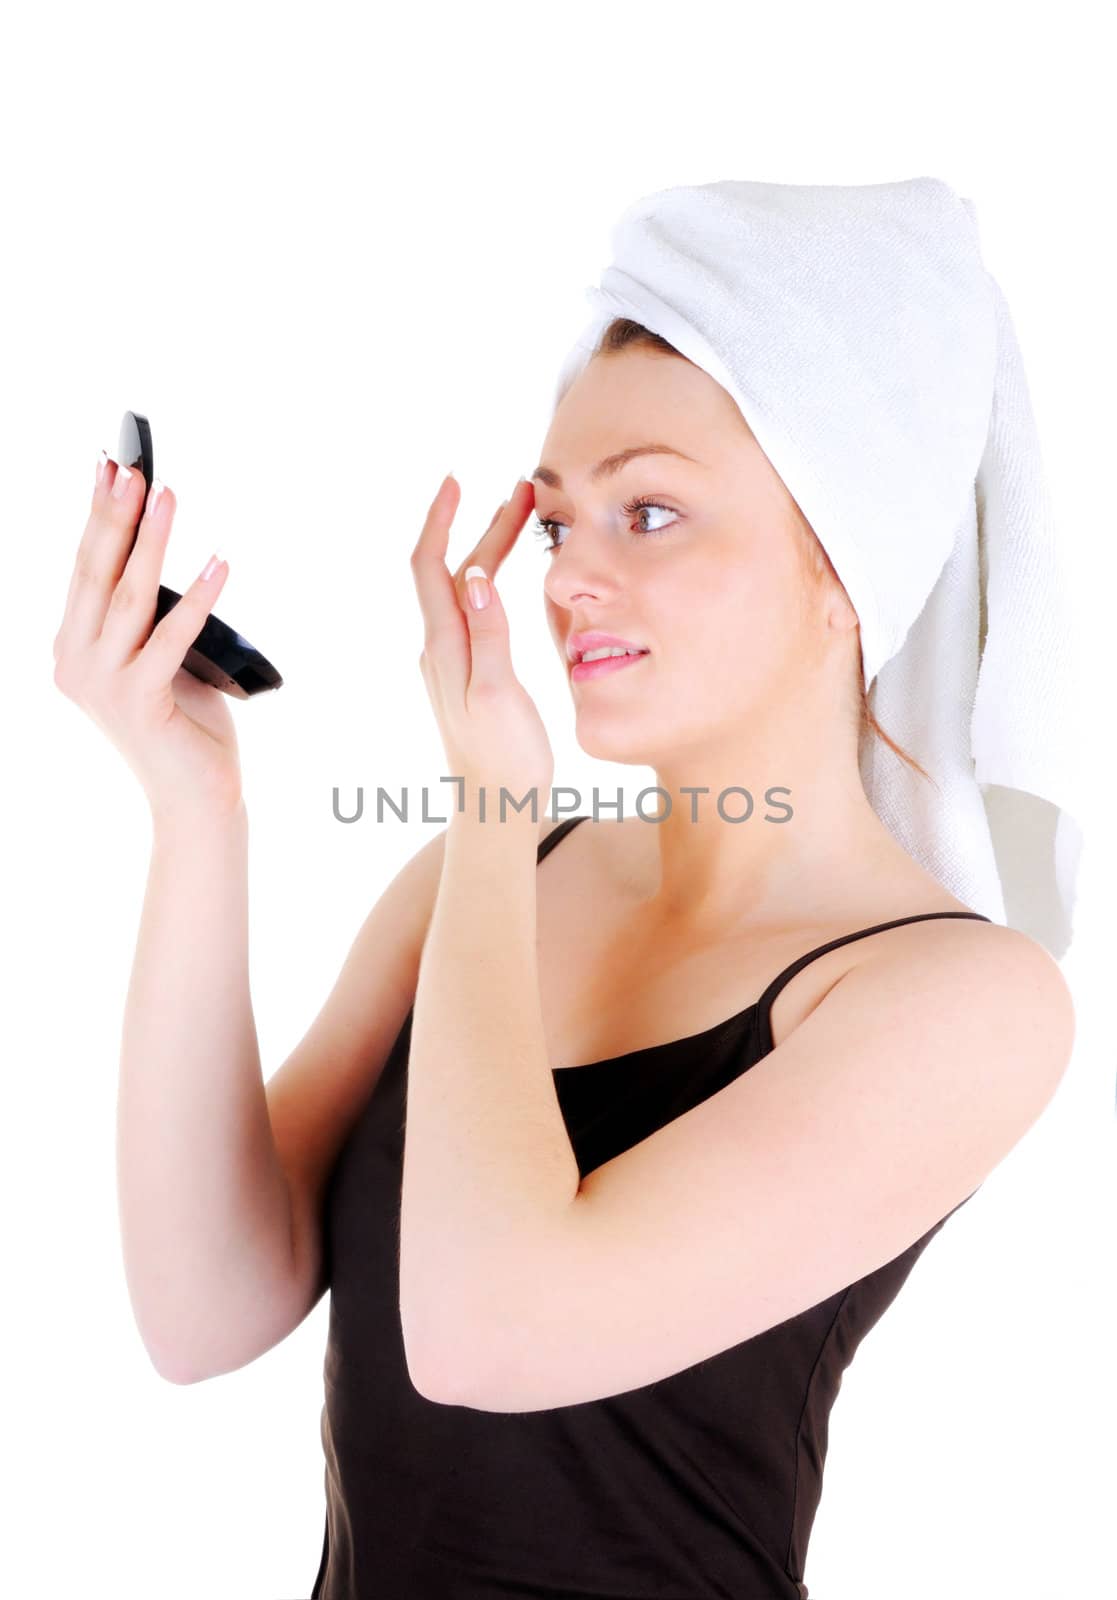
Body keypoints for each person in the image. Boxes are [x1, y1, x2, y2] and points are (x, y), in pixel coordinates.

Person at [53, 319, 1074, 1597]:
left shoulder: (966, 1003)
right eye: (554, 524)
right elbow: (203, 1313)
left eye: (647, 511)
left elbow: (485, 1335)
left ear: (849, 563)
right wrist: (195, 806)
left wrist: (492, 805)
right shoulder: (483, 886)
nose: (566, 577)